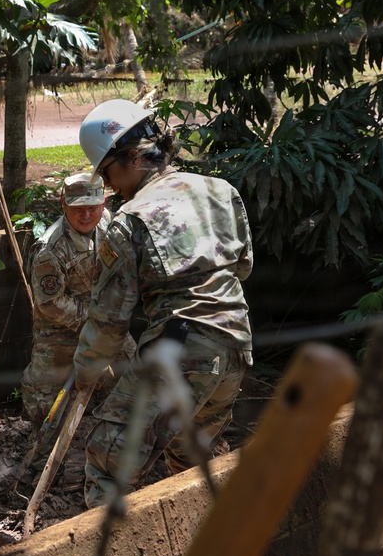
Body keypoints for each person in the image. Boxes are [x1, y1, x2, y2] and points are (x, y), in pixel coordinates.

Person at [73, 98, 254, 508]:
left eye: (106, 173)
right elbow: (242, 267)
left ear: (131, 158)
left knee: (108, 459)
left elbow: (110, 319)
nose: (108, 188)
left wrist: (86, 367)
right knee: (190, 456)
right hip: (237, 346)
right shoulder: (220, 190)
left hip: (183, 350)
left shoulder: (131, 220)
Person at [21, 172, 135, 427]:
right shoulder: (49, 249)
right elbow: (50, 303)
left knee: (134, 379)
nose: (86, 216)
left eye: (92, 208)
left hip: (105, 324)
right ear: (64, 205)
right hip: (60, 337)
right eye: (78, 209)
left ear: (103, 204)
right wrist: (93, 320)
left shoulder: (108, 225)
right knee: (47, 411)